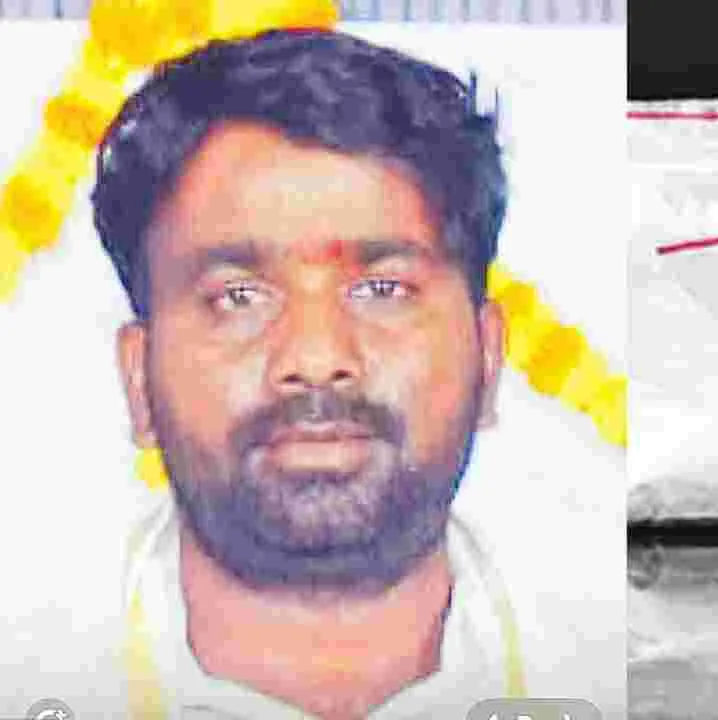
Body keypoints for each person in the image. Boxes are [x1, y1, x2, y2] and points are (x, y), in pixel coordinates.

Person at [91, 27, 613, 719]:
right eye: (238, 297)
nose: (316, 359)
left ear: (489, 357)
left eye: (382, 289)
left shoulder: (622, 661)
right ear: (138, 380)